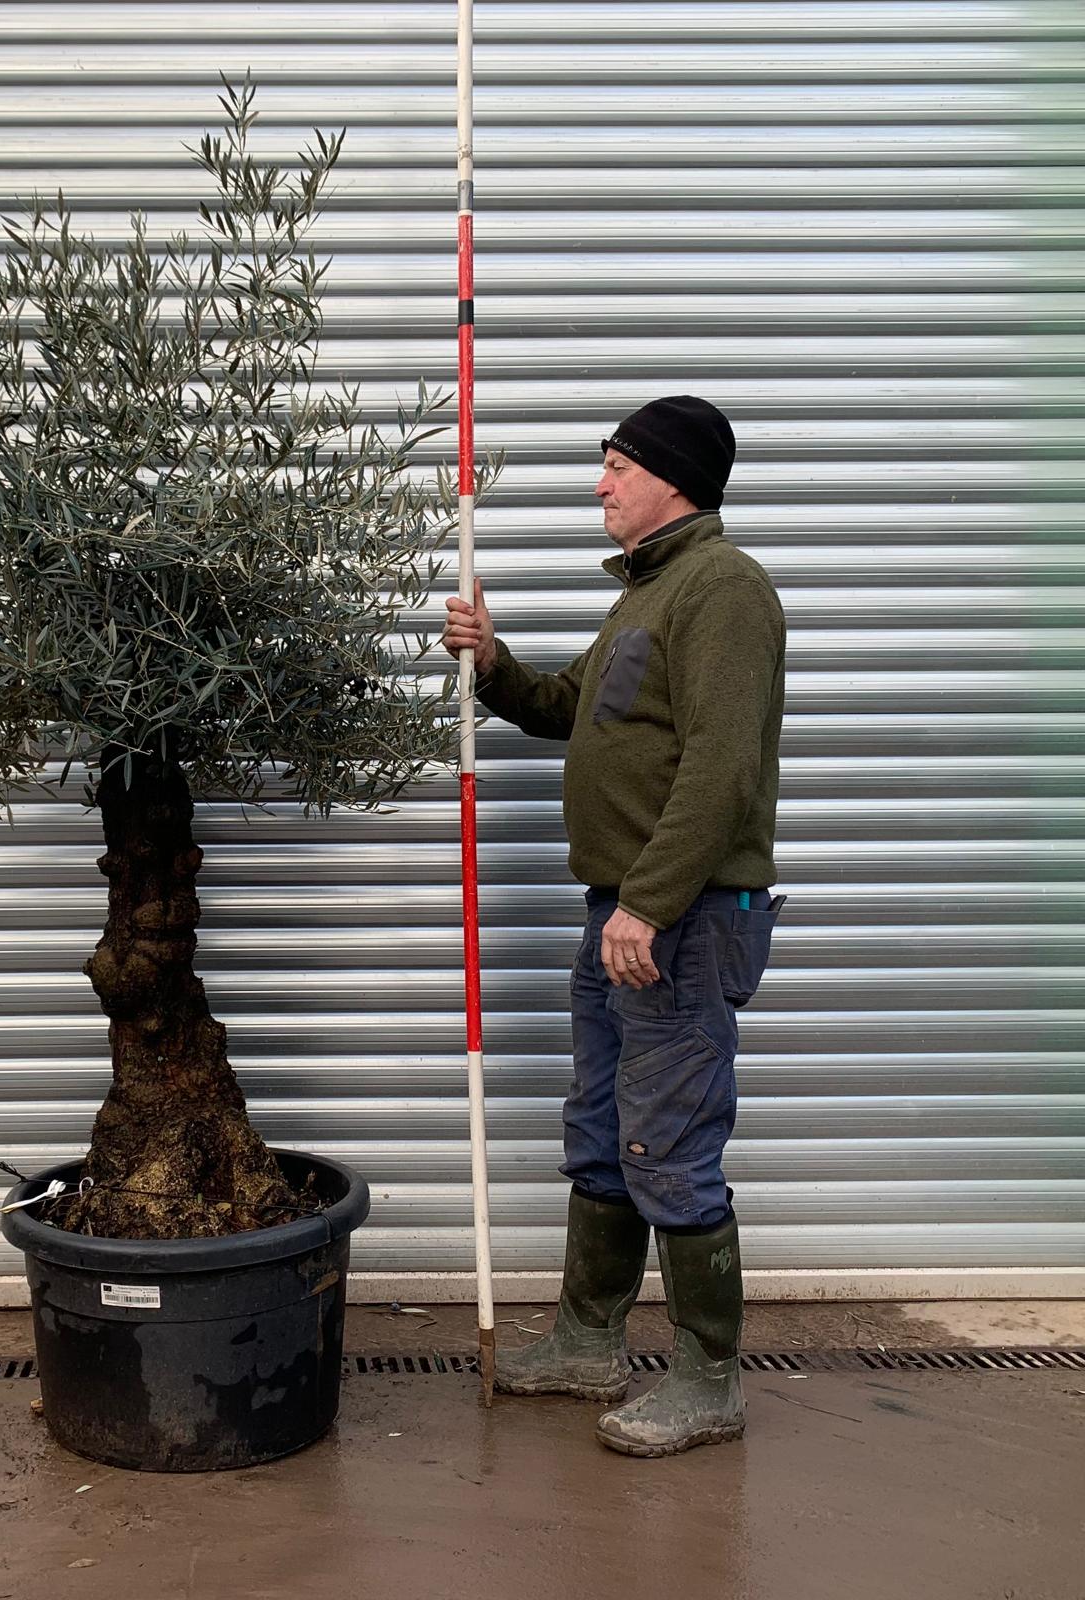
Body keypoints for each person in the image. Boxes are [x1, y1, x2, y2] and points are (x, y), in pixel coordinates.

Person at [443, 395, 786, 1456]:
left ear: (671, 478)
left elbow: (719, 774)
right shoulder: (643, 596)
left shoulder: (722, 590)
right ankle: (589, 1338)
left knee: (669, 1137)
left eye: (615, 466)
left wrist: (647, 900)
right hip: (625, 914)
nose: (599, 483)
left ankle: (706, 1381)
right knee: (601, 1127)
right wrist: (491, 663)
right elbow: (564, 711)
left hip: (674, 920)